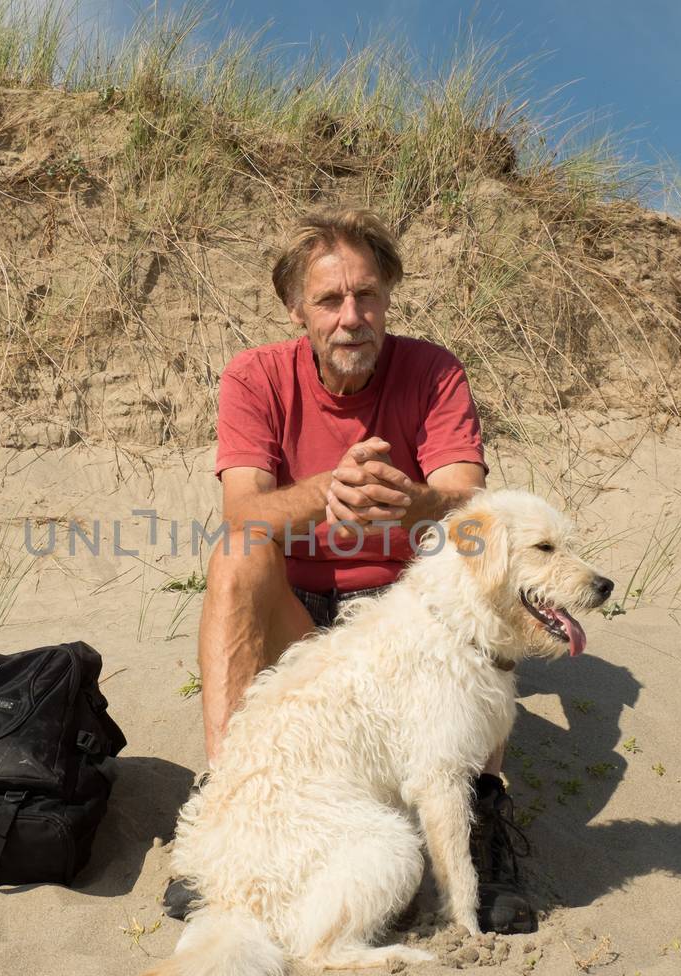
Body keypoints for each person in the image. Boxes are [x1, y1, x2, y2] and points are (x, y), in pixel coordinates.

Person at [163, 207, 534, 933]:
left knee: (481, 561)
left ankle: (482, 813)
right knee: (238, 553)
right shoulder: (255, 375)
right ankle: (224, 809)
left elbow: (473, 506)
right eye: (330, 300)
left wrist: (414, 501)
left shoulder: (433, 372)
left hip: (397, 625)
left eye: (366, 295)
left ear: (389, 294)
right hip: (299, 614)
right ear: (296, 305)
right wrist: (328, 492)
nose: (351, 317)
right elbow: (245, 514)